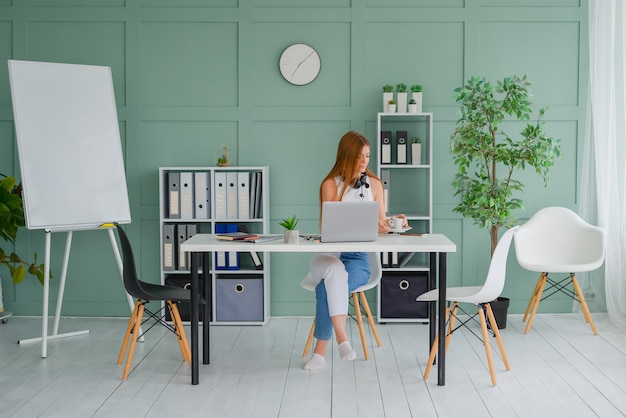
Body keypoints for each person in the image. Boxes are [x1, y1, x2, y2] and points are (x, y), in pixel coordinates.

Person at [304, 131, 408, 370]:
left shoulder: (375, 185)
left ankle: (320, 353)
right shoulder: (330, 185)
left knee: (326, 287)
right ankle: (343, 340)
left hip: (358, 260)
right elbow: (328, 226)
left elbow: (380, 225)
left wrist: (393, 223)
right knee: (333, 270)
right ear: (346, 156)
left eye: (367, 156)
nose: (364, 161)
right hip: (329, 255)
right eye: (359, 156)